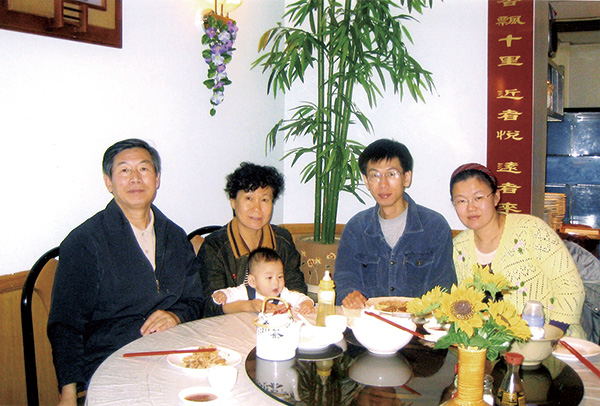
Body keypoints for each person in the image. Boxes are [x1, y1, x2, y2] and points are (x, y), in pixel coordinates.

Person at [48, 139, 212, 406]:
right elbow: (66, 324)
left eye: (144, 169)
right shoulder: (85, 241)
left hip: (172, 353)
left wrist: (176, 315)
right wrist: (68, 393)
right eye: (124, 170)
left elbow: (195, 299)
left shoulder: (174, 235)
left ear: (157, 179)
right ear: (108, 182)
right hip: (112, 360)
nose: (135, 178)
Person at [449, 163, 585, 337]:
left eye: (479, 197)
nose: (471, 207)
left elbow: (571, 288)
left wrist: (548, 336)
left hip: (556, 340)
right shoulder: (458, 247)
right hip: (492, 345)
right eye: (461, 201)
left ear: (496, 197)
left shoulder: (531, 230)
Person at [334, 139, 456, 308]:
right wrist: (350, 294)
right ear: (366, 181)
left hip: (419, 321)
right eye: (375, 175)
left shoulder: (434, 226)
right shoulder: (356, 228)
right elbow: (345, 277)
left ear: (406, 178)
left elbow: (444, 285)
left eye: (391, 174)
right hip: (367, 319)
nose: (383, 184)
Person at [197, 162, 307, 297]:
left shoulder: (282, 240)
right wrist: (253, 306)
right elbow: (212, 302)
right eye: (249, 198)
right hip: (234, 311)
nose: (257, 208)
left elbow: (296, 286)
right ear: (233, 202)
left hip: (277, 309)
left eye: (264, 200)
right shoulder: (214, 246)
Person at [211, 247, 314, 314]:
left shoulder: (283, 294)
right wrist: (221, 295)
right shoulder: (245, 291)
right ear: (252, 281)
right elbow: (228, 294)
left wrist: (306, 304)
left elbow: (301, 298)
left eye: (280, 277)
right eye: (269, 277)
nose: (276, 282)